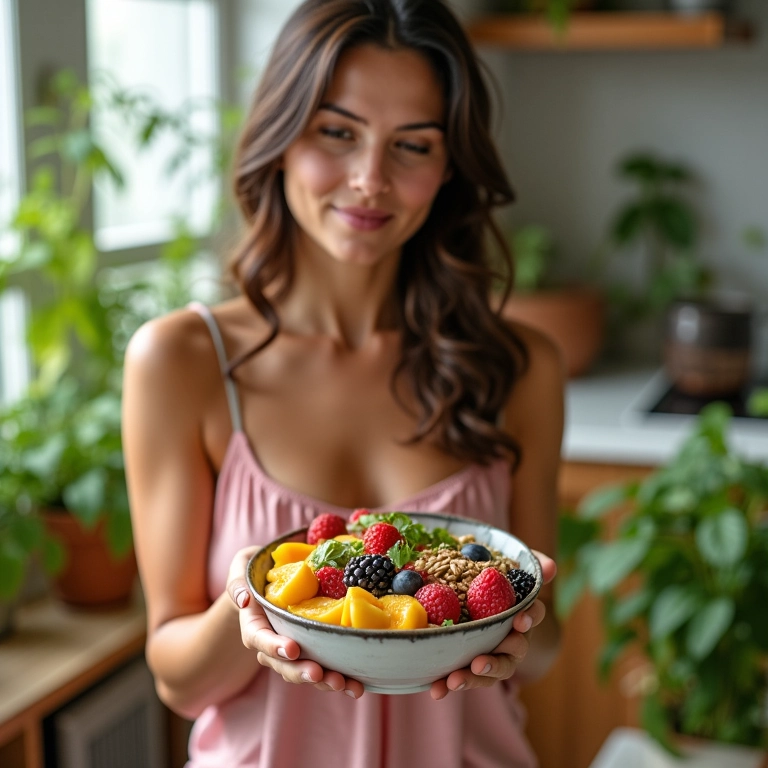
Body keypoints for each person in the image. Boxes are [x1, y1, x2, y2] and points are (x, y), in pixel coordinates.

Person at [122, 0, 564, 765]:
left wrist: (522, 627)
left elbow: (546, 645)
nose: (369, 180)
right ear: (282, 135)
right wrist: (253, 610)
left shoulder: (520, 367)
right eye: (337, 132)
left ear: (450, 165)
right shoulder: (181, 362)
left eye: (412, 145)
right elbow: (177, 681)